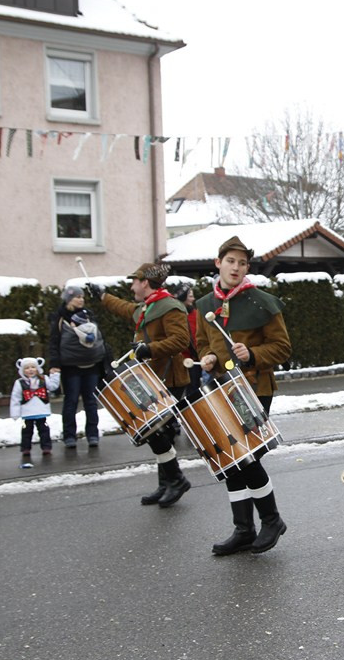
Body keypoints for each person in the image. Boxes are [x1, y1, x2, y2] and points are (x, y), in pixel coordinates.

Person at [195, 235, 292, 556]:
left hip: (255, 389)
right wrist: (208, 356)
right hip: (221, 389)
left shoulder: (262, 302)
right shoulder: (205, 304)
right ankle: (243, 529)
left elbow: (282, 348)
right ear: (218, 263)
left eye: (242, 263)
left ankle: (272, 519)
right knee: (230, 461)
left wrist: (251, 353)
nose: (236, 268)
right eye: (231, 261)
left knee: (246, 458)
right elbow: (202, 342)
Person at [89, 263, 192, 508]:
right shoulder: (150, 306)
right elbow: (125, 308)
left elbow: (181, 340)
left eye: (134, 281)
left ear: (145, 282)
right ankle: (167, 483)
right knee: (158, 433)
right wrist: (102, 296)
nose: (132, 285)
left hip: (171, 378)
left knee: (156, 431)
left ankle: (176, 480)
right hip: (153, 376)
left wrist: (149, 349)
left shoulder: (170, 307)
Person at [48, 285, 107, 448]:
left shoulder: (89, 316)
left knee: (90, 401)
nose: (81, 299)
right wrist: (54, 364)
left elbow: (99, 338)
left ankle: (93, 435)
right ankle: (69, 436)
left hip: (91, 366)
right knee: (71, 401)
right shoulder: (60, 319)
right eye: (77, 297)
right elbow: (54, 342)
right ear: (68, 299)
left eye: (82, 297)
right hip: (70, 367)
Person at [9, 357, 60, 456]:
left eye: (33, 367)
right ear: (22, 370)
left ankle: (46, 447)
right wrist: (15, 412)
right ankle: (25, 448)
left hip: (41, 411)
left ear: (37, 368)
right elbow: (15, 398)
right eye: (27, 368)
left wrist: (55, 375)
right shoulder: (19, 383)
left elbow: (53, 386)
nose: (30, 370)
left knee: (44, 430)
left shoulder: (43, 379)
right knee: (26, 431)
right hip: (27, 412)